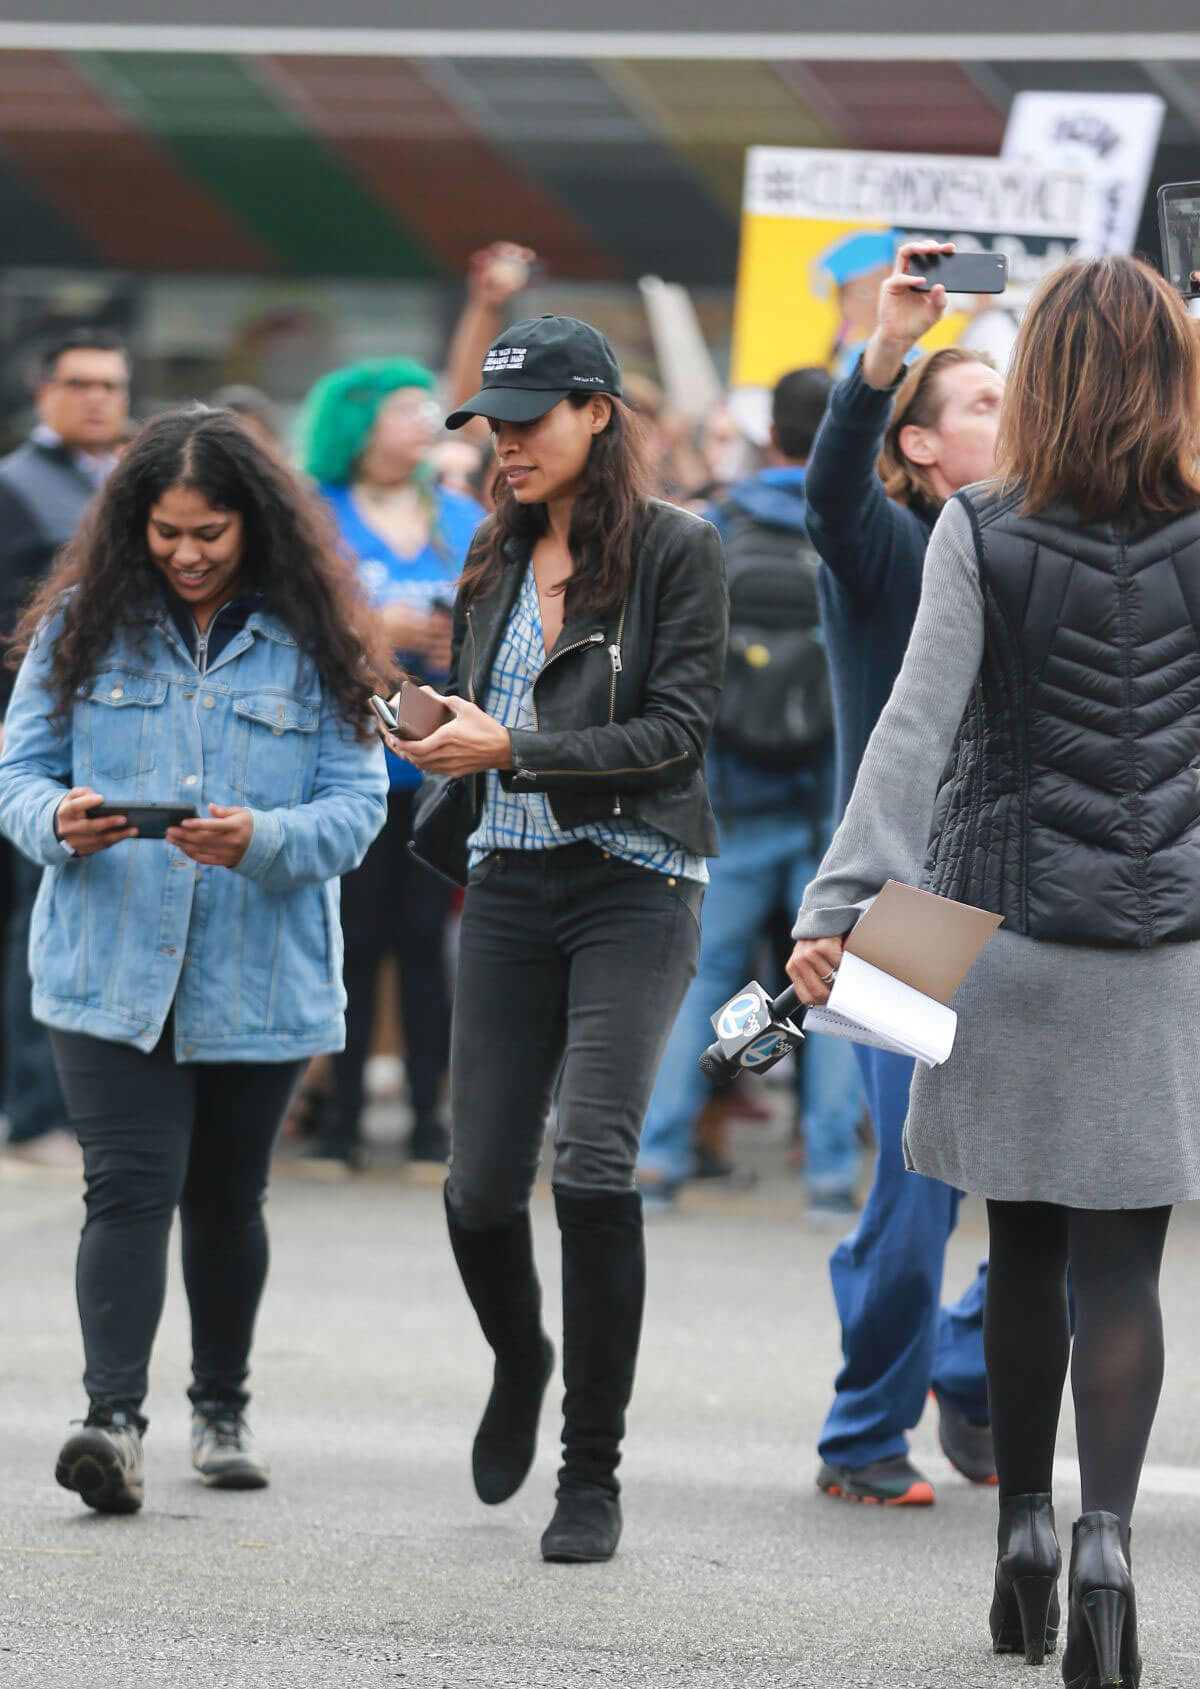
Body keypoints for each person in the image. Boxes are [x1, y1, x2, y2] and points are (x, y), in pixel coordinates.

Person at [790, 254, 1200, 1684]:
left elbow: (913, 729)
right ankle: (1105, 1546)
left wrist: (841, 903)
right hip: (1160, 946)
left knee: (1016, 1245)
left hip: (999, 931)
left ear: (1033, 382)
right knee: (1124, 1270)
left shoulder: (982, 521)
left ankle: (1021, 1536)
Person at [0, 408, 388, 1513]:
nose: (186, 552)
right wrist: (54, 819)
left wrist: (261, 841)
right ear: (134, 526)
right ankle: (110, 1422)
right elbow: (15, 774)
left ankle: (222, 1407)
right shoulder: (84, 621)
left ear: (254, 524)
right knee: (126, 1189)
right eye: (166, 531)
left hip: (258, 971)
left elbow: (356, 813)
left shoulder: (317, 639)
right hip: (105, 965)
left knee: (226, 1198)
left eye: (209, 531)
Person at [389, 314, 727, 1564]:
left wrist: (512, 748)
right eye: (494, 424)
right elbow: (478, 720)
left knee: (590, 1167)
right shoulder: (488, 555)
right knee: (477, 1189)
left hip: (636, 882)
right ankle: (520, 1356)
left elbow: (678, 736)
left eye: (529, 421)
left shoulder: (680, 550)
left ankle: (593, 1473)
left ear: (599, 413)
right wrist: (431, 730)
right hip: (509, 884)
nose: (507, 443)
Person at [803, 241, 1005, 1506]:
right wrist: (888, 351)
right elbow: (829, 487)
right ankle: (863, 1431)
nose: (1013, 418)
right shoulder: (886, 548)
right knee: (918, 1192)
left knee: (1086, 1192)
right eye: (983, 403)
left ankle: (971, 1364)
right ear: (923, 447)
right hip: (906, 919)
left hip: (1037, 902)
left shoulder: (1048, 546)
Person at [636, 367, 862, 1216]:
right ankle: (832, 1178)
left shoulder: (714, 526)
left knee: (708, 981)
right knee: (828, 988)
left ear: (772, 437)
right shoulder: (853, 528)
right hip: (830, 806)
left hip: (727, 802)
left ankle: (658, 1160)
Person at [298, 358, 483, 1168]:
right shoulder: (314, 515)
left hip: (439, 765)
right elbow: (289, 618)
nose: (423, 422)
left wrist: (454, 637)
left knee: (424, 947)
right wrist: (378, 625)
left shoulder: (459, 515)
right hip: (343, 764)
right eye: (405, 410)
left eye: (427, 409)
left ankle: (425, 1120)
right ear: (357, 422)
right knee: (351, 941)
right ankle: (338, 1122)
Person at [0, 328, 130, 1171]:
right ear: (42, 392)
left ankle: (85, 1106)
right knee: (36, 922)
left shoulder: (130, 484)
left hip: (119, 731)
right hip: (37, 738)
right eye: (79, 383)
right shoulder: (15, 486)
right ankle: (33, 1108)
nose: (96, 398)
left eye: (111, 386)